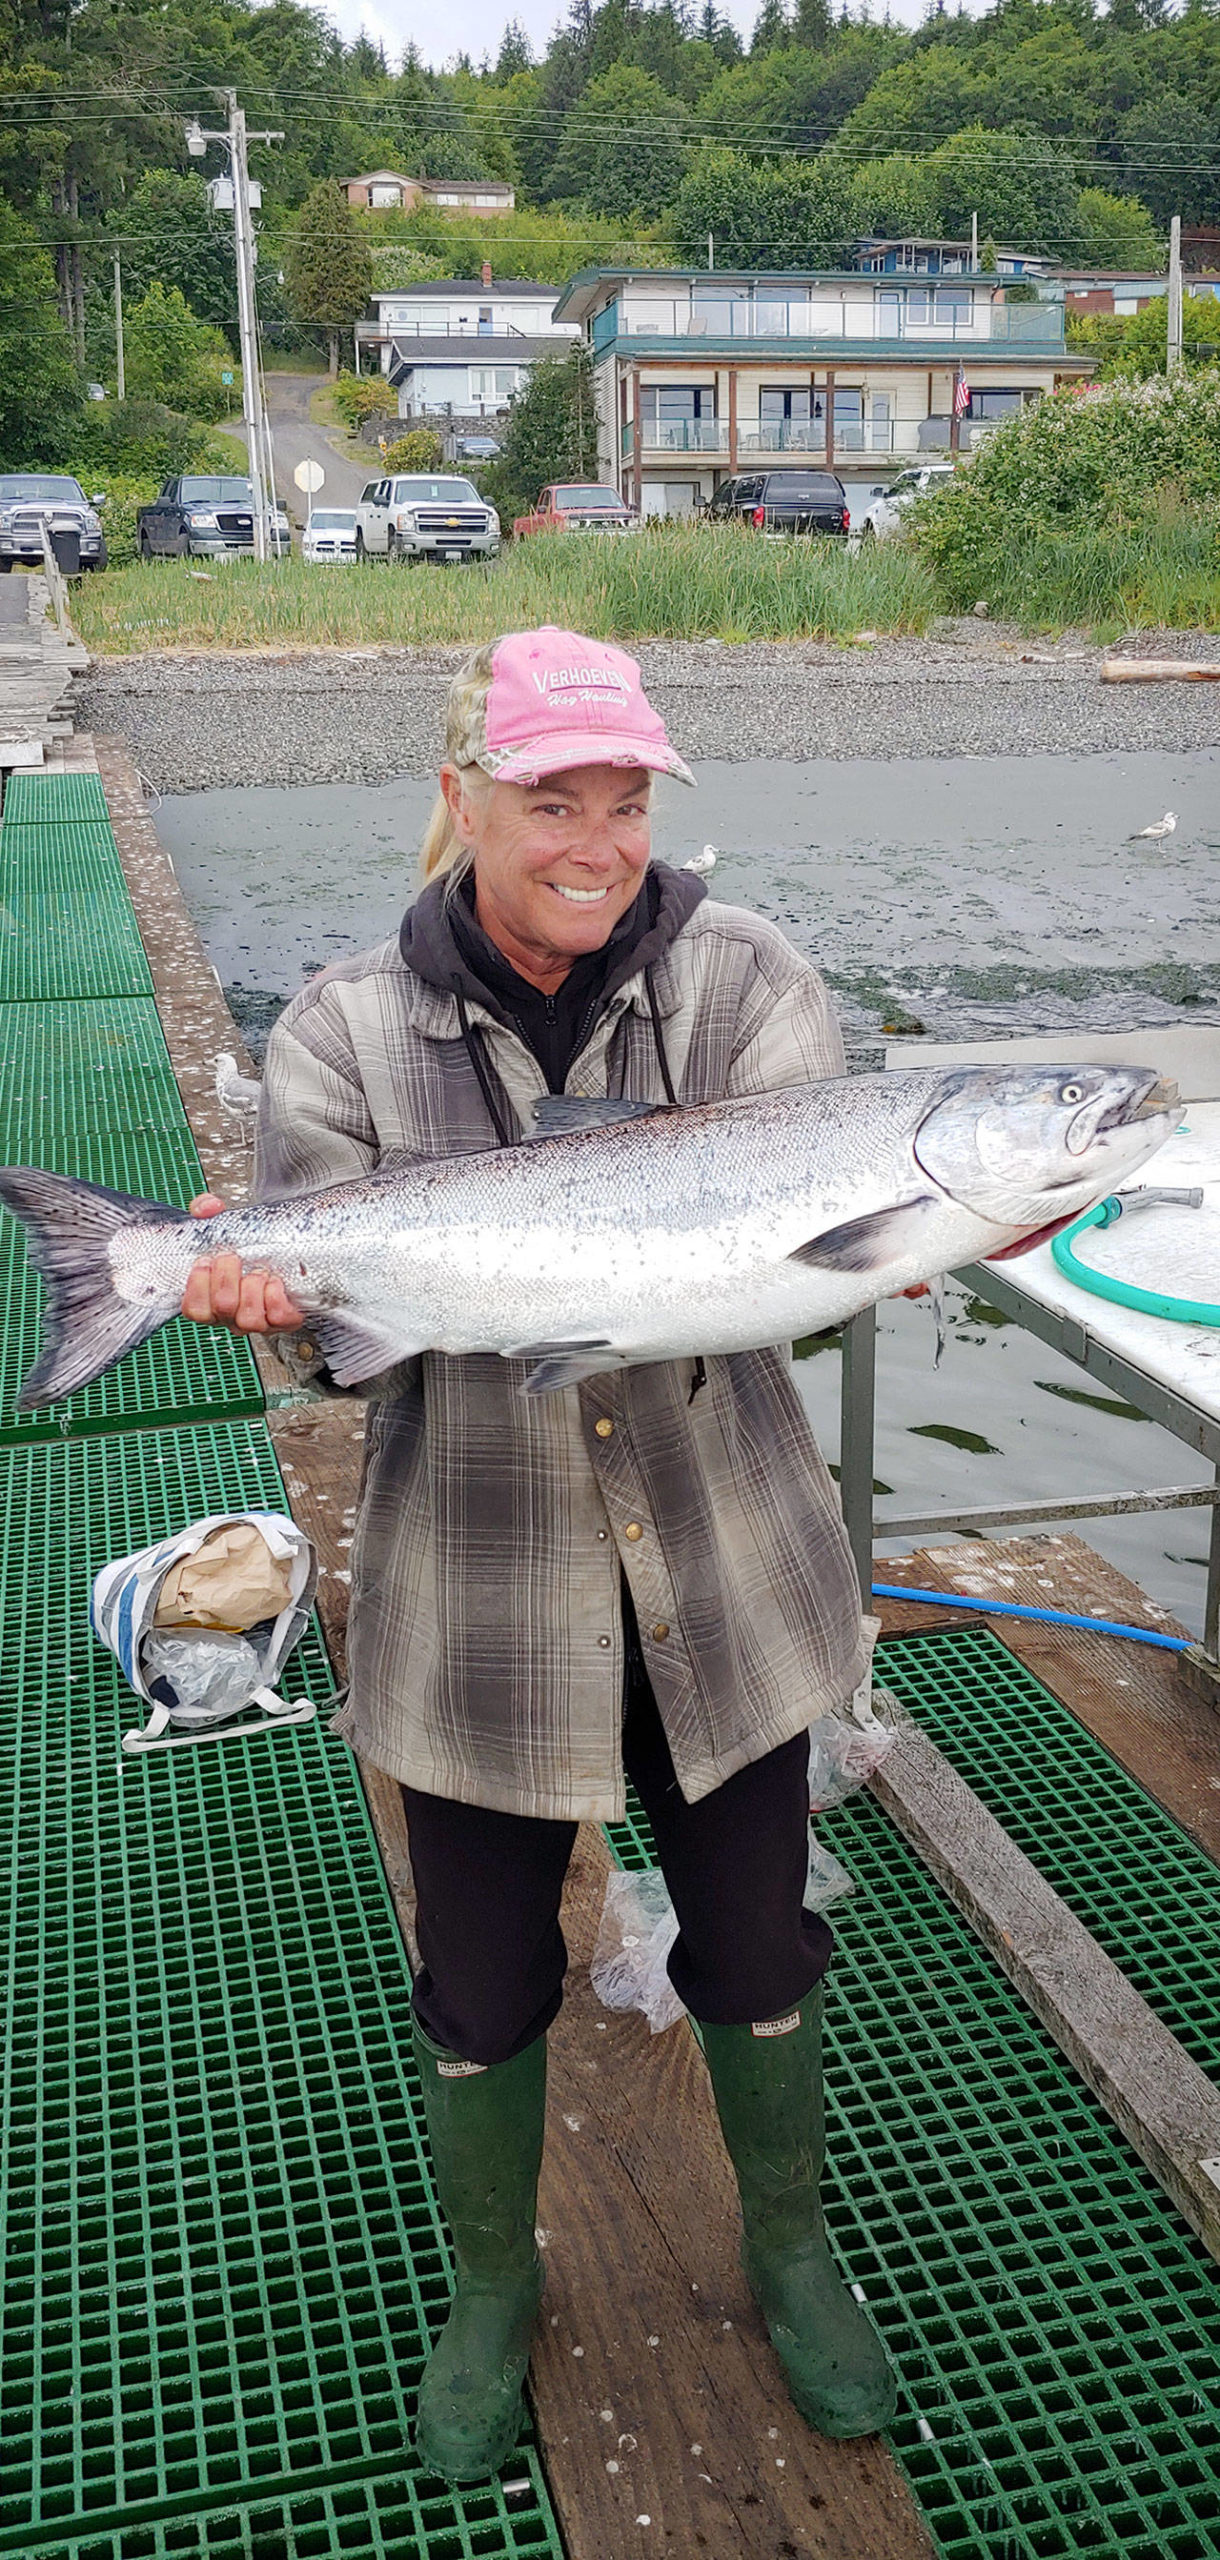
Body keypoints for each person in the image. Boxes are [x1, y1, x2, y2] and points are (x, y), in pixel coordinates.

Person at [181, 625, 899, 2483]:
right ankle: (495, 2288)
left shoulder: (749, 983)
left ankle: (795, 2245)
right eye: (549, 797)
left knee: (755, 1942)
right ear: (460, 798)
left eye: (628, 798)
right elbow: (328, 1341)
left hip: (728, 1583)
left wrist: (934, 1219)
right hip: (477, 1600)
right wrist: (255, 1295)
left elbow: (805, 1286)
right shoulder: (343, 1027)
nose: (598, 838)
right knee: (482, 1980)